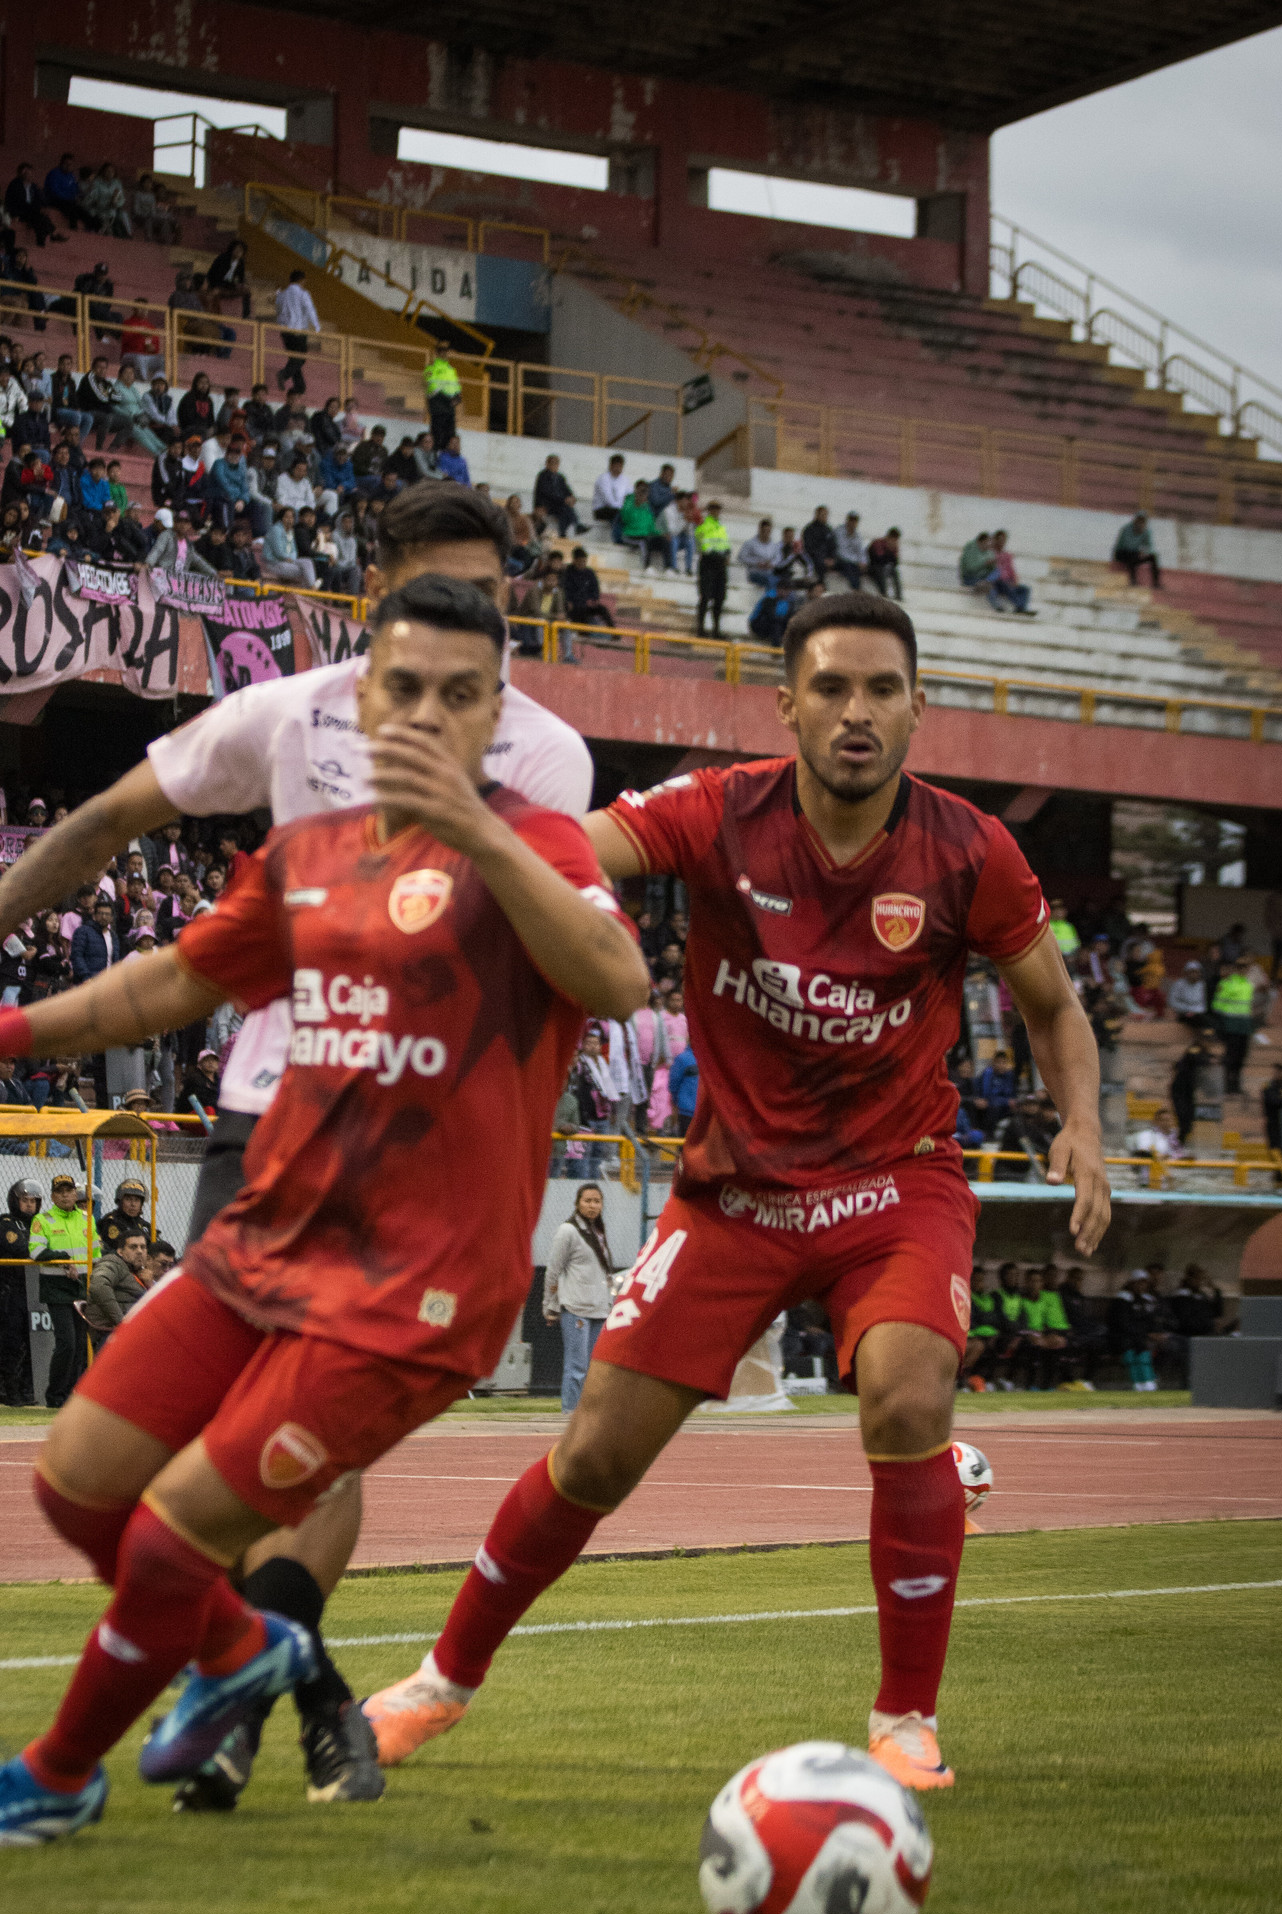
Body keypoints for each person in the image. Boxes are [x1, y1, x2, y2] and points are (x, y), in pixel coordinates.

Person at [0, 572, 648, 1849]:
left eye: (458, 697)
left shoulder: (542, 845)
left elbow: (618, 978)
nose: (422, 715)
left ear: (492, 714)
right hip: (267, 1239)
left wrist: (480, 831)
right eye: (400, 688)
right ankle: (246, 1655)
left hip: (419, 1288)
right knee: (78, 1485)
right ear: (361, 695)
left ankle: (60, 1769)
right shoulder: (307, 855)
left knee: (182, 1528)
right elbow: (167, 985)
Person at [361, 589, 1110, 1794]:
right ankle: (440, 1682)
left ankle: (905, 1720)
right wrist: (472, 861)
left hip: (893, 1184)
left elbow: (1054, 1005)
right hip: (734, 1194)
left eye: (879, 689)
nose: (855, 712)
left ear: (919, 708)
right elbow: (583, 846)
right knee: (595, 1456)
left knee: (907, 1397)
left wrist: (1081, 1120)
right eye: (831, 688)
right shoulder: (720, 811)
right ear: (787, 705)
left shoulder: (973, 848)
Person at [543, 1183, 614, 1413]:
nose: (593, 1206)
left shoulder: (599, 1232)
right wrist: (550, 1306)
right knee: (577, 1366)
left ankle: (588, 1417)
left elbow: (603, 1272)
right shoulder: (568, 1231)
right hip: (575, 1307)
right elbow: (553, 1270)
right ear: (577, 1203)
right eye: (588, 1201)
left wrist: (610, 1303)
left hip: (599, 1308)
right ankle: (569, 1414)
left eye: (597, 1201)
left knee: (595, 1368)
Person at [30, 1173, 98, 1409]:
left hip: (82, 1287)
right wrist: (64, 1260)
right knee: (67, 1343)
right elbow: (36, 1252)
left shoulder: (87, 1219)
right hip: (57, 1288)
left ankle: (71, 1395)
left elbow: (96, 1254)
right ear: (52, 1196)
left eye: (69, 1191)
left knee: (79, 1344)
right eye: (60, 1191)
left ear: (75, 1194)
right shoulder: (42, 1219)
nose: (66, 1195)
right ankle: (55, 1396)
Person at [0, 1178, 43, 1407]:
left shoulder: (42, 1223)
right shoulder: (8, 1223)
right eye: (25, 1200)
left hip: (36, 1292)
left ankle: (29, 1389)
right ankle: (12, 1391)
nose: (30, 1205)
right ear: (15, 1201)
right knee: (12, 1342)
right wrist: (42, 1250)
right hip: (13, 1293)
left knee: (36, 1343)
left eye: (33, 1201)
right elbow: (18, 1248)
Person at [86, 1227, 149, 1353]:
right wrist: (122, 1323)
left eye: (143, 1247)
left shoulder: (138, 1271)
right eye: (133, 1247)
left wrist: (149, 1284)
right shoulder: (113, 1263)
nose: (139, 1251)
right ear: (120, 1251)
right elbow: (99, 1286)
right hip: (113, 1337)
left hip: (136, 1334)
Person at [1211, 954, 1256, 1095]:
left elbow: (1248, 1006)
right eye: (1241, 967)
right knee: (1231, 1056)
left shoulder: (1248, 984)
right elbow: (1217, 1005)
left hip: (1244, 1025)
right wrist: (1223, 1022)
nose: (1244, 970)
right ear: (1236, 968)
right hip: (1230, 1024)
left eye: (1246, 967)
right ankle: (1225, 1085)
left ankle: (1235, 1086)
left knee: (1242, 1056)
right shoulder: (1227, 983)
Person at [273, 270, 320, 395]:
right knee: (300, 359)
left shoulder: (281, 295)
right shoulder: (303, 293)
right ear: (302, 280)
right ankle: (284, 374)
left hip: (285, 331)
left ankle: (300, 387)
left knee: (294, 359)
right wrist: (316, 326)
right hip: (299, 331)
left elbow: (278, 311)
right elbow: (310, 309)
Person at [693, 501, 731, 638]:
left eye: (718, 509)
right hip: (709, 562)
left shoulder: (721, 527)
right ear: (709, 510)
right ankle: (701, 629)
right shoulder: (703, 525)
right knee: (705, 596)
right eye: (714, 509)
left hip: (720, 563)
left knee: (719, 598)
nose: (716, 512)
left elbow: (726, 544)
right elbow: (700, 544)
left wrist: (727, 554)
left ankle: (716, 629)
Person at [532, 454, 584, 538]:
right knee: (565, 508)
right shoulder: (543, 476)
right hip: (546, 505)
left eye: (556, 463)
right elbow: (548, 494)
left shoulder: (560, 477)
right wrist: (564, 500)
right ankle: (575, 526)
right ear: (547, 464)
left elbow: (567, 490)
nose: (554, 466)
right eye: (552, 463)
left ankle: (565, 532)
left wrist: (571, 498)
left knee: (565, 509)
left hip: (558, 504)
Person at [97, 1177, 151, 1256]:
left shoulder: (145, 1226)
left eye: (136, 1200)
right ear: (120, 1202)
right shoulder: (110, 1222)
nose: (133, 1204)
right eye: (128, 1199)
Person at [424, 348, 461, 449]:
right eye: (442, 352)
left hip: (449, 408)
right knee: (437, 436)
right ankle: (435, 457)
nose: (444, 355)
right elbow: (432, 386)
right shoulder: (431, 368)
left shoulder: (451, 370)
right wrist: (448, 399)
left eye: (446, 353)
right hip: (438, 407)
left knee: (450, 436)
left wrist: (457, 397)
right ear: (437, 354)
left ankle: (446, 459)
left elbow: (456, 386)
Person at [1114, 513, 1161, 588]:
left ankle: (1156, 583)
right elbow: (1127, 545)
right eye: (1139, 520)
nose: (1140, 523)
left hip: (1135, 554)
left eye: (1143, 521)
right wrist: (1139, 552)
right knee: (1131, 555)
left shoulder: (1146, 531)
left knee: (1153, 557)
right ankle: (1133, 580)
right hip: (1122, 553)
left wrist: (1145, 552)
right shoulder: (1127, 529)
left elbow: (1150, 546)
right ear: (1135, 520)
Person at [1167, 958, 1207, 1028]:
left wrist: (1195, 1011)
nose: (1194, 974)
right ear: (1186, 973)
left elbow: (1204, 1003)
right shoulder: (1179, 984)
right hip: (1182, 1012)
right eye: (1192, 972)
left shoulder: (1203, 985)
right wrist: (1186, 1009)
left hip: (1198, 1014)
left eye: (1197, 972)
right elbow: (1172, 1001)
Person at [867, 528, 902, 600]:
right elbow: (879, 559)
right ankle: (883, 593)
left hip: (884, 566)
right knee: (881, 571)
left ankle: (899, 595)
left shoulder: (894, 546)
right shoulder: (878, 543)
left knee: (894, 572)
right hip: (873, 566)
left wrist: (892, 551)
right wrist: (889, 550)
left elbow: (895, 562)